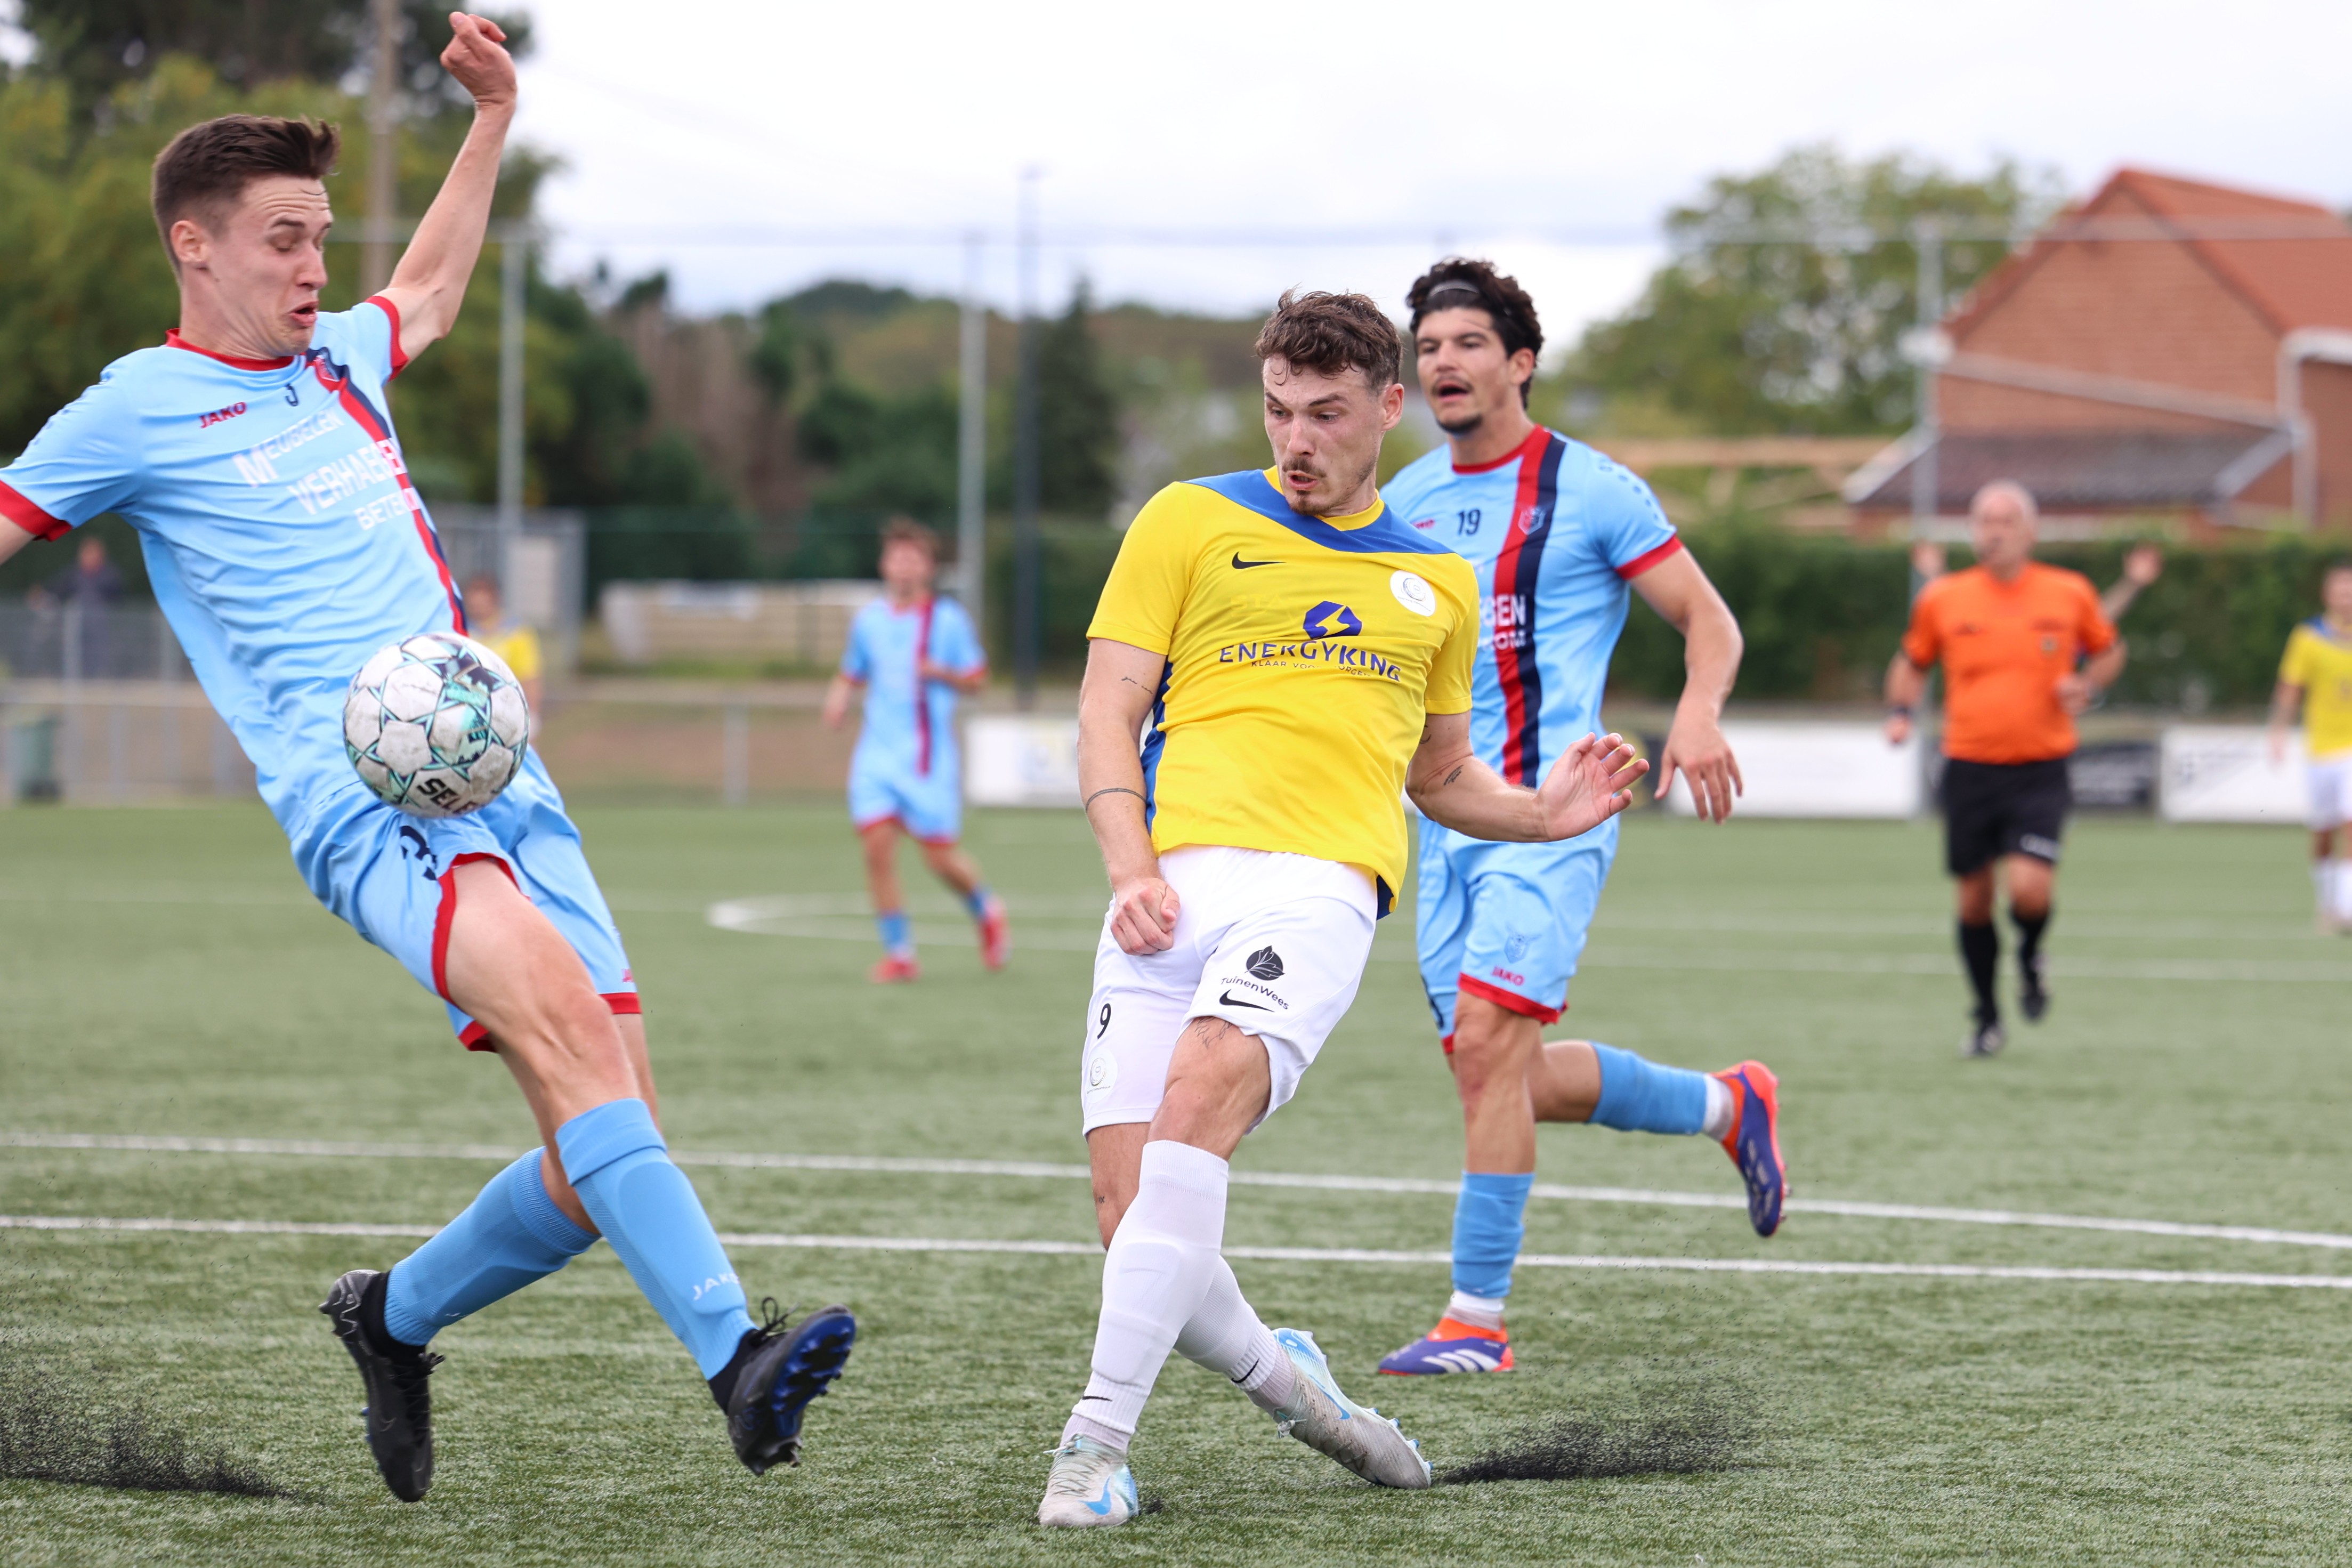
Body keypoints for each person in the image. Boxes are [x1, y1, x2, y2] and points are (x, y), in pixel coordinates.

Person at [0, 19, 853, 1504]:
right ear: (194, 248)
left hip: (507, 777)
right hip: (369, 798)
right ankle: (737, 1357)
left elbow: (436, 284)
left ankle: (390, 1316)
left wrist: (492, 119)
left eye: (323, 238)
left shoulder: (339, 362)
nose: (312, 266)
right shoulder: (133, 406)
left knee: (608, 1145)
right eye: (282, 240)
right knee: (586, 1069)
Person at [1039, 288, 1650, 1527]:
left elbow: (1435, 776)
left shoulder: (1434, 581)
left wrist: (1545, 812)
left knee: (1198, 1107)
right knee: (1130, 1213)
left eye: (1324, 413)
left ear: (1389, 408)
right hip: (1164, 888)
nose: (1295, 440)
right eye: (1277, 411)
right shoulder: (1187, 519)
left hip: (1320, 885)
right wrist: (1127, 867)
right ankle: (1300, 1394)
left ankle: (1088, 1454)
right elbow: (1105, 710)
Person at [1372, 259, 1784, 1379]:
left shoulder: (1592, 488)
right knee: (1503, 1073)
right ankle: (1725, 1103)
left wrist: (1697, 712)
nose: (1443, 364)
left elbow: (1708, 620)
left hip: (1556, 815)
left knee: (1493, 1051)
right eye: (1429, 349)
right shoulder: (1401, 504)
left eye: (1465, 344)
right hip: (1446, 820)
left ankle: (1474, 1321)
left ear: (1519, 362)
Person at [1886, 480, 2125, 1057]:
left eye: (2006, 519)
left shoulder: (2069, 592)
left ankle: (2031, 953)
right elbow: (1912, 662)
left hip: (2041, 765)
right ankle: (1988, 1015)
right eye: (1984, 520)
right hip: (1969, 765)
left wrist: (2087, 685)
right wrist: (1899, 712)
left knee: (2029, 890)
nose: (1994, 530)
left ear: (2030, 530)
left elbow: (2110, 649)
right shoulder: (1944, 598)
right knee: (1973, 899)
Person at [821, 518, 1007, 980]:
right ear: (885, 565)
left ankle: (986, 908)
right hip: (876, 757)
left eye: (913, 559)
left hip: (927, 760)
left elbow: (978, 679)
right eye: (896, 558)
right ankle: (900, 954)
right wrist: (839, 696)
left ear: (928, 568)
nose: (903, 567)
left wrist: (940, 672)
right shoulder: (869, 620)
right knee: (876, 851)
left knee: (940, 859)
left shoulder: (946, 620)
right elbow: (852, 670)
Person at [2267, 561, 2352, 930]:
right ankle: (2326, 903)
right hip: (2320, 751)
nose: (2346, 598)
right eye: (2340, 591)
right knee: (2322, 832)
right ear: (2327, 595)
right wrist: (2277, 731)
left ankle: (2347, 907)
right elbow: (2290, 688)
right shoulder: (2308, 637)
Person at [463, 571, 542, 712]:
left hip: (507, 709)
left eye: (481, 604)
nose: (477, 609)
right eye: (473, 605)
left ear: (494, 600)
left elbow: (529, 676)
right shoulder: (461, 632)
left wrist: (533, 713)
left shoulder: (516, 633)